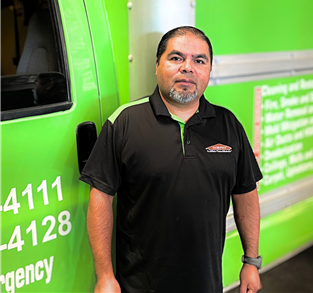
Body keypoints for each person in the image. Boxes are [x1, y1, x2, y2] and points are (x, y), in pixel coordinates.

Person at [80, 26, 263, 293]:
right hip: (140, 285)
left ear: (209, 70)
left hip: (206, 283)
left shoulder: (228, 125)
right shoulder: (125, 122)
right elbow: (101, 197)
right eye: (176, 58)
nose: (188, 67)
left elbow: (246, 193)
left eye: (199, 60)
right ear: (157, 65)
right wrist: (105, 276)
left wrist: (251, 261)